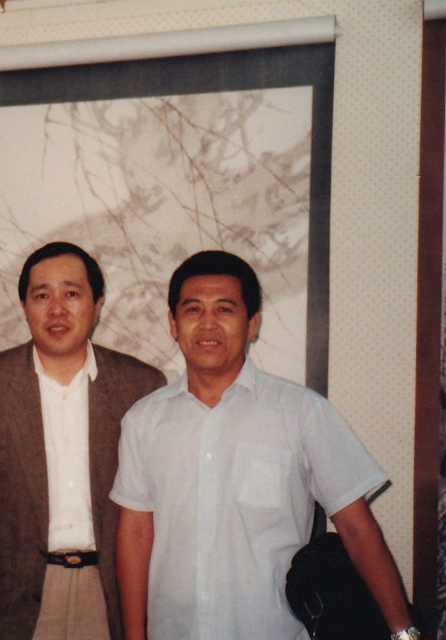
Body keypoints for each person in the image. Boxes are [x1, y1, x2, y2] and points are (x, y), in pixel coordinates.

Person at [110, 250, 420, 640]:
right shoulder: (143, 420)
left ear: (252, 323)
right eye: (193, 309)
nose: (208, 323)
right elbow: (136, 536)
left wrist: (404, 633)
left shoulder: (302, 412)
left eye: (225, 309)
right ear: (173, 323)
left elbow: (358, 529)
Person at [0, 241, 166, 640]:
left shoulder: (141, 385)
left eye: (71, 294)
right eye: (42, 296)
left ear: (96, 304)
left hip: (110, 591)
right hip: (13, 595)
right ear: (24, 306)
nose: (57, 309)